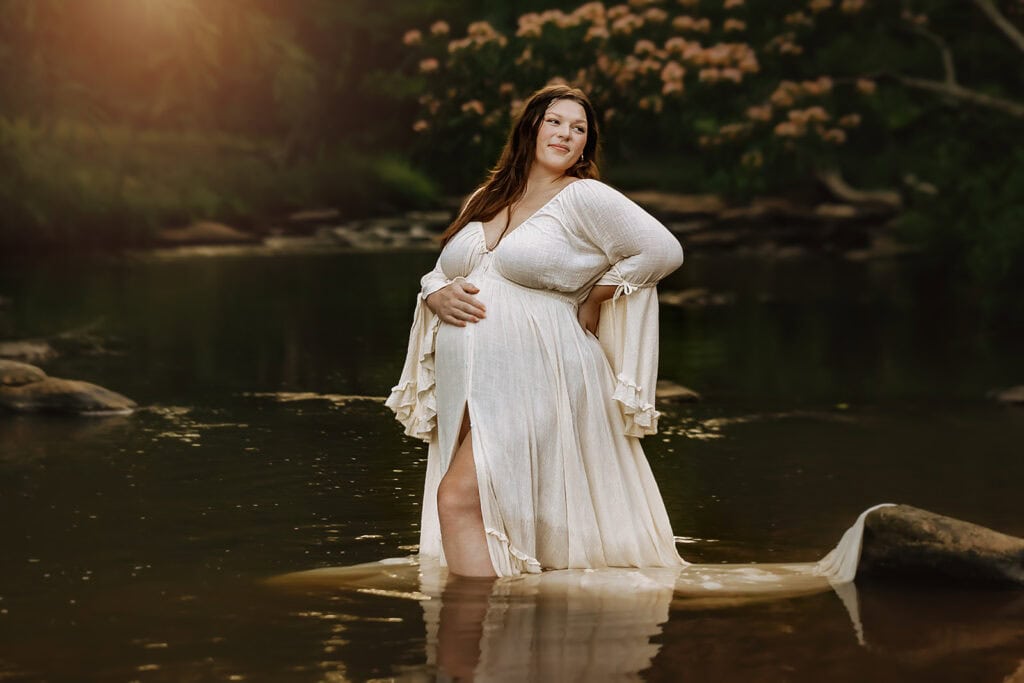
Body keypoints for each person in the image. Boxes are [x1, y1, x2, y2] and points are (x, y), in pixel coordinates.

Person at [386, 84, 686, 578]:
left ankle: (473, 628)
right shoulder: (488, 196)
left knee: (458, 499)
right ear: (530, 127)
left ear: (586, 145)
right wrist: (435, 294)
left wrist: (596, 294)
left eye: (579, 128)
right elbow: (442, 270)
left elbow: (661, 250)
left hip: (541, 370)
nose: (566, 133)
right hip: (472, 379)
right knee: (483, 506)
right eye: (555, 121)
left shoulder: (584, 197)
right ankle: (505, 634)